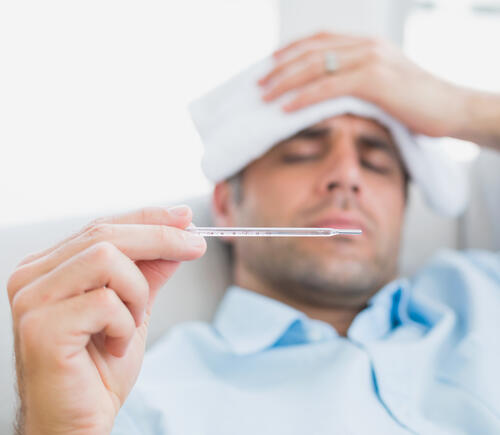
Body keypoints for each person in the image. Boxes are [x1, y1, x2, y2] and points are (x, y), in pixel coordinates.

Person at [6, 32, 500, 435]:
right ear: (225, 204)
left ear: (405, 207)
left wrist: (466, 111)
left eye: (376, 160)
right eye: (303, 152)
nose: (348, 175)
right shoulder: (135, 400)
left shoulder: (481, 291)